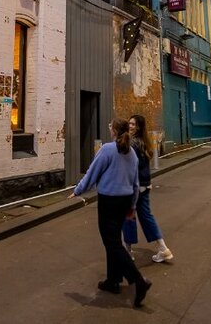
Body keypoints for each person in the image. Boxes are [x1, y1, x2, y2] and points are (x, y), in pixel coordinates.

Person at [69, 118, 153, 308]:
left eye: (110, 127)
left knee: (112, 242)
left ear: (114, 131)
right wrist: (132, 207)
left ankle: (137, 280)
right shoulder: (131, 152)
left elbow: (92, 173)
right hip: (124, 201)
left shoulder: (107, 149)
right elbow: (135, 183)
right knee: (114, 239)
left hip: (109, 201)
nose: (109, 129)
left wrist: (78, 190)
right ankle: (113, 281)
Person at [122, 115, 174, 263]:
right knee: (146, 216)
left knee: (129, 217)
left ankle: (128, 251)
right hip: (145, 184)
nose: (130, 125)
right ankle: (163, 249)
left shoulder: (132, 143)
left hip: (135, 186)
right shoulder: (144, 142)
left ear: (138, 127)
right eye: (129, 123)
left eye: (132, 124)